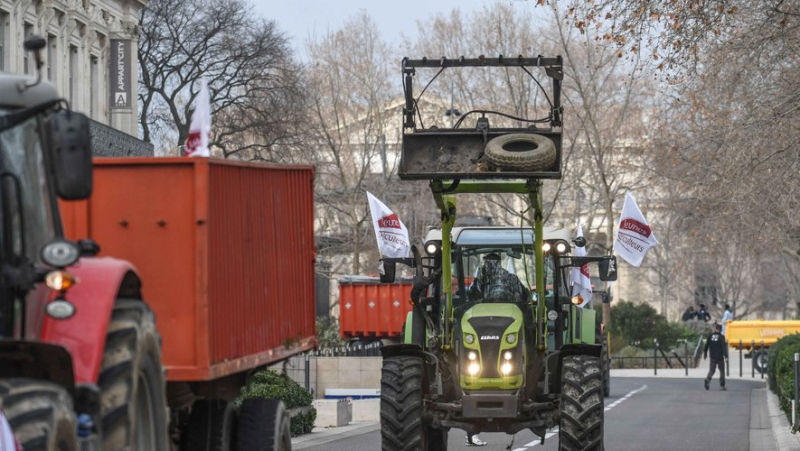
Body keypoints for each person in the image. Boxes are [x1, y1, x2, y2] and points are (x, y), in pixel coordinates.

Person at [703, 323, 729, 390]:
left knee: (712, 370)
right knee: (722, 371)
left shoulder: (710, 336)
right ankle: (722, 385)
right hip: (719, 357)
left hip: (712, 356)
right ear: (721, 330)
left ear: (715, 329)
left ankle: (708, 379)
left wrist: (705, 354)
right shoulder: (721, 337)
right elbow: (723, 347)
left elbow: (706, 345)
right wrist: (725, 356)